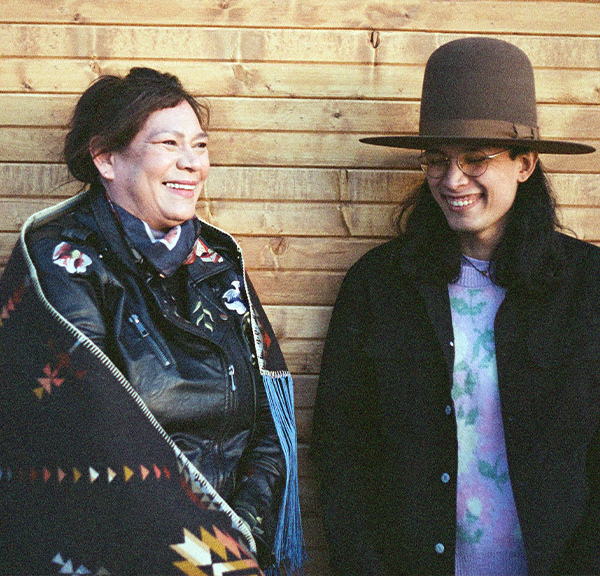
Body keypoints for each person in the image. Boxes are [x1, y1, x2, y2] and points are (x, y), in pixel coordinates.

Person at [311, 37, 600, 576]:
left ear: (525, 163)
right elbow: (343, 452)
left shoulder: (587, 287)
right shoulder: (378, 287)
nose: (452, 180)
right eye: (437, 160)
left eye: (476, 159)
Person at [0, 67, 303, 575]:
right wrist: (215, 558)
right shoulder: (59, 262)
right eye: (169, 143)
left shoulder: (218, 263)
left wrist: (242, 532)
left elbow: (271, 426)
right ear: (106, 158)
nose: (192, 163)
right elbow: (94, 439)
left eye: (200, 146)